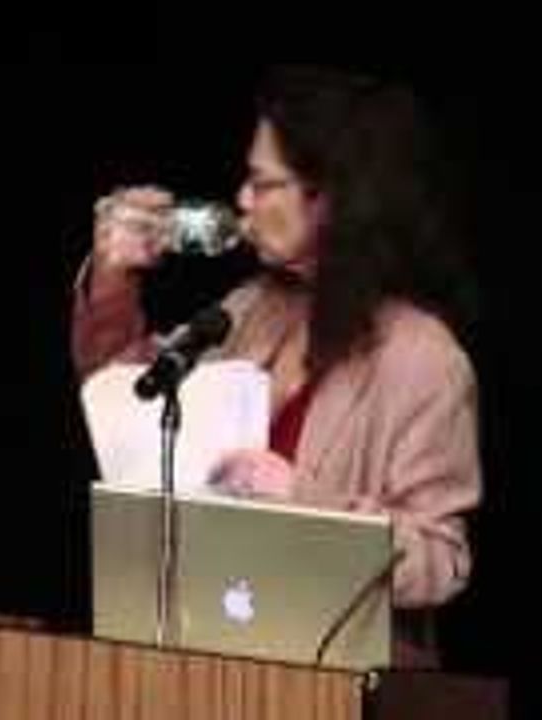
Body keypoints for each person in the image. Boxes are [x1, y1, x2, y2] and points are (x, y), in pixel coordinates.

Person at [70, 65, 481, 667]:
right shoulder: (251, 307)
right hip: (215, 656)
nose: (242, 199)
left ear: (332, 198)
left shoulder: (425, 358)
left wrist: (299, 497)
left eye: (263, 184)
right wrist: (114, 276)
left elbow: (442, 563)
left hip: (337, 683)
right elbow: (121, 398)